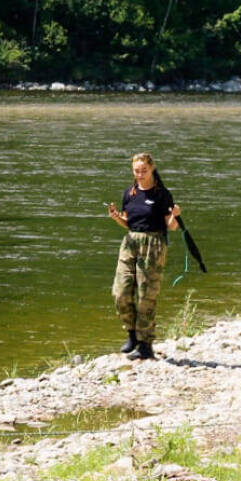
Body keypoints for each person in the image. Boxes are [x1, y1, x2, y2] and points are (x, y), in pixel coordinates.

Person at [106, 151, 181, 361]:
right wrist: (116, 218)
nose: (140, 174)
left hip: (154, 244)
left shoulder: (162, 194)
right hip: (130, 243)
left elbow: (172, 227)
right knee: (120, 292)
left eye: (144, 171)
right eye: (136, 171)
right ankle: (132, 335)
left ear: (152, 169)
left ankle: (146, 344)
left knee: (146, 297)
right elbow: (129, 223)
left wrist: (174, 216)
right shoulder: (129, 193)